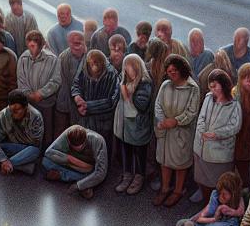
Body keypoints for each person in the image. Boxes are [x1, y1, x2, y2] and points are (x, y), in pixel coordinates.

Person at [153, 54, 201, 207]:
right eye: (169, 71)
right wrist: (162, 121)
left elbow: (191, 112)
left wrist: (176, 121)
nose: (171, 74)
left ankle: (178, 190)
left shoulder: (192, 88)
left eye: (174, 70)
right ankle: (165, 187)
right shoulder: (165, 85)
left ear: (182, 69)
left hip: (182, 132)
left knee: (180, 163)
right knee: (164, 160)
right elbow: (158, 105)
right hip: (165, 131)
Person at [192, 69, 241, 204]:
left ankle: (216, 205)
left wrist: (216, 134)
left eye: (215, 86)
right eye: (210, 86)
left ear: (223, 85)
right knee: (202, 177)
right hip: (202, 146)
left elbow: (234, 126)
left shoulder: (234, 104)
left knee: (217, 181)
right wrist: (202, 131)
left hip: (219, 153)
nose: (212, 89)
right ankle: (205, 198)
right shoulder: (208, 98)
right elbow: (201, 117)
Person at [114, 53, 154, 194]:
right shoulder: (124, 80)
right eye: (125, 68)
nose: (126, 70)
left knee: (139, 152)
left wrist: (126, 94)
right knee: (126, 150)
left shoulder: (144, 83)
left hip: (138, 126)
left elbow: (142, 105)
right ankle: (127, 174)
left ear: (136, 67)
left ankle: (139, 177)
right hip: (125, 125)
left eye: (129, 67)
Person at [16, 30, 60, 150]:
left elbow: (55, 81)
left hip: (46, 103)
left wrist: (41, 93)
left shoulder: (52, 59)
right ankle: (29, 153)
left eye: (34, 44)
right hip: (28, 102)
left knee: (46, 131)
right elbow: (21, 79)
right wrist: (29, 94)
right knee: (29, 128)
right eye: (29, 44)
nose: (31, 47)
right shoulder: (23, 58)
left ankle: (46, 154)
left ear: (41, 45)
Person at [178, 169, 244, 226]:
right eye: (220, 192)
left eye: (225, 194)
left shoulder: (239, 199)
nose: (221, 196)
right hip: (214, 217)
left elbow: (240, 212)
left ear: (234, 194)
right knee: (202, 215)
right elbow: (209, 210)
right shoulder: (216, 194)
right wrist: (201, 217)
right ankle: (191, 221)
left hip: (228, 221)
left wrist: (230, 211)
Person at [42, 123, 108, 197]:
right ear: (69, 141)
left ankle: (65, 177)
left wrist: (77, 185)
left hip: (86, 169)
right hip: (72, 164)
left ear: (85, 139)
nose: (78, 149)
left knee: (93, 173)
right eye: (74, 147)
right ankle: (85, 183)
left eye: (81, 146)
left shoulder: (98, 140)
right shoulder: (68, 133)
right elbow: (48, 152)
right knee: (46, 161)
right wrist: (70, 159)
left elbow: (101, 172)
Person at [0, 90, 43, 176]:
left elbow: (36, 143)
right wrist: (4, 159)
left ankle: (8, 165)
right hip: (13, 147)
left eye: (17, 110)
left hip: (28, 149)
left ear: (25, 107)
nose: (13, 114)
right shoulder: (3, 114)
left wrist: (4, 161)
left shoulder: (36, 116)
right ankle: (24, 167)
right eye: (11, 110)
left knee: (35, 151)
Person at [71, 49, 119, 148]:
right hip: (85, 121)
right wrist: (77, 96)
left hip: (103, 123)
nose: (93, 67)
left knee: (103, 150)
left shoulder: (112, 74)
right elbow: (76, 84)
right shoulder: (84, 68)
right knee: (86, 150)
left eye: (96, 64)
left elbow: (112, 101)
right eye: (91, 64)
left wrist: (88, 106)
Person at [54, 30, 87, 139]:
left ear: (84, 42)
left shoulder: (90, 56)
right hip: (64, 101)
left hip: (83, 102)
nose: (76, 45)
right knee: (61, 131)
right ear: (68, 43)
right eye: (73, 42)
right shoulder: (63, 57)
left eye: (79, 42)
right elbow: (60, 81)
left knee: (78, 133)